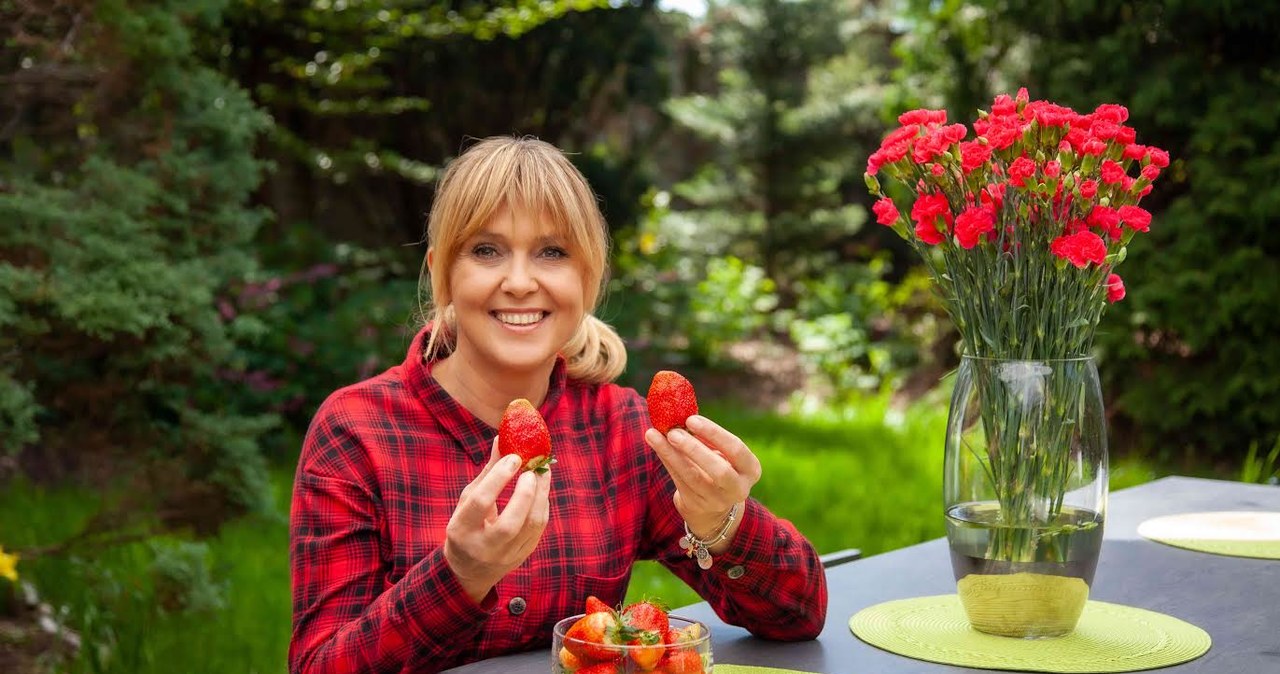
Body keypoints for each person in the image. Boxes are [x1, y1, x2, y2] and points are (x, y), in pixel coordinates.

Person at [288, 136, 828, 673]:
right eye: (486, 250)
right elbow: (318, 666)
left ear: (588, 279)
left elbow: (797, 615)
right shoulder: (356, 431)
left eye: (552, 252)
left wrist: (722, 522)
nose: (520, 282)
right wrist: (459, 577)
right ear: (441, 273)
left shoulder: (622, 428)